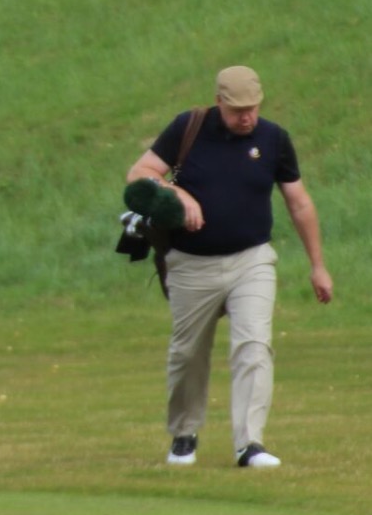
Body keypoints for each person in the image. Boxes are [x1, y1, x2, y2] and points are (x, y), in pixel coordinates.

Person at [124, 65, 331, 469]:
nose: (247, 117)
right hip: (191, 264)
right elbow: (140, 174)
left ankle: (249, 444)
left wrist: (318, 265)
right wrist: (178, 194)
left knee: (254, 345)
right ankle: (184, 434)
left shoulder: (274, 139)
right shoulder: (188, 128)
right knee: (188, 353)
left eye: (253, 108)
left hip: (252, 260)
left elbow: (299, 202)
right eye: (238, 110)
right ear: (219, 101)